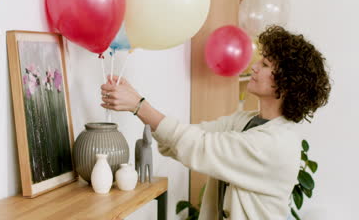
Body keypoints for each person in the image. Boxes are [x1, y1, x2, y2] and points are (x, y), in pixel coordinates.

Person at [100, 26, 331, 220]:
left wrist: (139, 105)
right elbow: (188, 138)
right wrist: (138, 105)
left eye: (266, 64)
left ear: (287, 84)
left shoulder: (277, 143)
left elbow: (201, 147)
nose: (255, 66)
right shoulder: (246, 120)